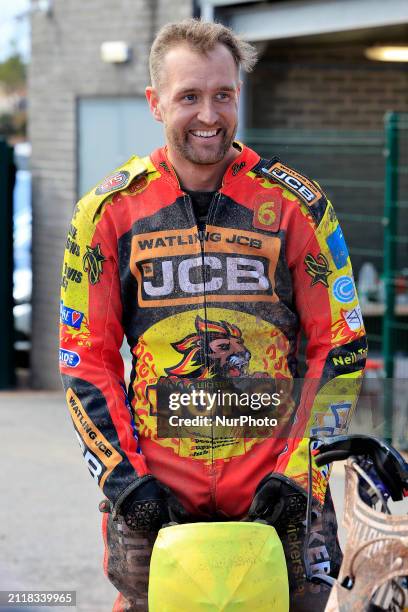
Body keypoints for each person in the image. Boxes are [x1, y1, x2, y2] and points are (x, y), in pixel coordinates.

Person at [59, 18, 367, 612]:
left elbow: (342, 344)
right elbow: (84, 360)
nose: (209, 115)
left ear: (238, 95)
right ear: (155, 102)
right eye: (189, 97)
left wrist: (302, 475)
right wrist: (127, 485)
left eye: (222, 94)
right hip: (156, 504)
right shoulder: (107, 212)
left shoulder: (297, 205)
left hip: (283, 500)